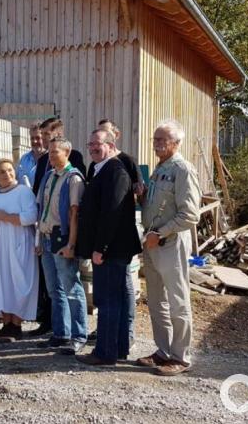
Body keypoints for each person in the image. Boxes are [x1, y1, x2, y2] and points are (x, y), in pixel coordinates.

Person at [137, 119, 201, 376]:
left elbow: (190, 215)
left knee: (177, 301)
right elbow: (158, 206)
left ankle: (180, 356)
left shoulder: (183, 170)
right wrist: (142, 196)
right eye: (155, 139)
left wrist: (160, 234)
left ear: (176, 143)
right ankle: (163, 351)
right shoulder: (159, 169)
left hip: (170, 243)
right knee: (156, 301)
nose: (157, 144)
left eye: (162, 140)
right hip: (152, 243)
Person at [75, 129, 142, 365]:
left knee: (107, 300)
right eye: (90, 143)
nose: (93, 148)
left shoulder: (115, 171)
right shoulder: (102, 169)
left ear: (111, 146)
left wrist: (100, 248)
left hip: (112, 249)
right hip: (113, 249)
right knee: (117, 299)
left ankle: (105, 352)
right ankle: (118, 347)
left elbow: (110, 214)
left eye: (98, 144)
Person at [29, 118, 86, 337]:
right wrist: (38, 240)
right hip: (45, 237)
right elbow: (41, 209)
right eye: (50, 152)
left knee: (71, 289)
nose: (51, 156)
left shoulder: (74, 179)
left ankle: (78, 335)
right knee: (55, 291)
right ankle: (61, 334)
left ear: (67, 153)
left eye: (56, 153)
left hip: (61, 239)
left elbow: (74, 214)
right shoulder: (49, 176)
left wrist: (71, 244)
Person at [0, 159, 38, 342]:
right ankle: (6, 324)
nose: (7, 174)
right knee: (1, 281)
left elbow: (32, 216)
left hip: (18, 242)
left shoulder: (24, 191)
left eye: (10, 170)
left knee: (19, 282)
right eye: (2, 172)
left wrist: (5, 217)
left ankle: (17, 324)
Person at [16, 122, 46, 189]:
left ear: (44, 138)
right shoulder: (24, 159)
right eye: (32, 138)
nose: (34, 141)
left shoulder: (50, 159)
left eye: (38, 138)